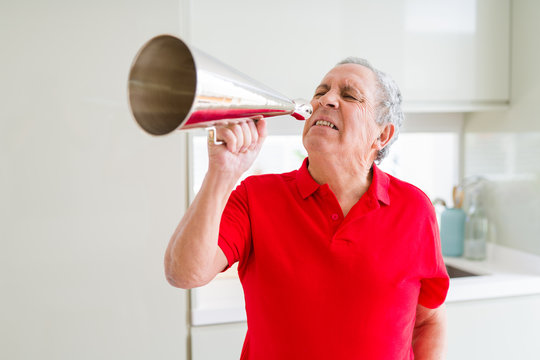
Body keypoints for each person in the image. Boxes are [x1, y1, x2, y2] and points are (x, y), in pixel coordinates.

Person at [165, 57, 450, 360]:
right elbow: (183, 273)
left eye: (349, 95)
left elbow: (428, 321)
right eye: (320, 92)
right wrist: (222, 172)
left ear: (381, 135)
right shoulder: (256, 196)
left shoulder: (415, 209)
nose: (326, 99)